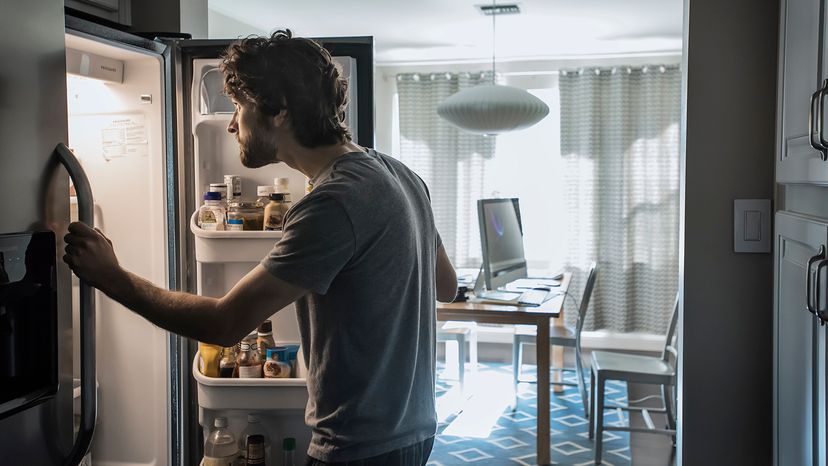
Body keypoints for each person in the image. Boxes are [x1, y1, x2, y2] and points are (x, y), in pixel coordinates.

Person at [63, 30, 457, 465]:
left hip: (359, 446)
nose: (232, 124)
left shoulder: (332, 203)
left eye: (239, 107)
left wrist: (112, 278)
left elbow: (225, 322)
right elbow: (446, 285)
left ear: (279, 110)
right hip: (414, 431)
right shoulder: (399, 174)